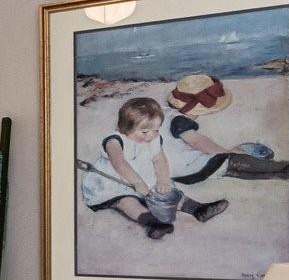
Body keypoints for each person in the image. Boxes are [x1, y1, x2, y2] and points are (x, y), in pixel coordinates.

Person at [79, 97, 228, 239]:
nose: (151, 135)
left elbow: (159, 159)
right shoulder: (114, 140)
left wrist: (163, 179)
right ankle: (152, 224)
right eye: (144, 132)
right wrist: (137, 183)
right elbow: (120, 163)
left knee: (167, 192)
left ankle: (198, 209)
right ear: (125, 127)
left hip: (143, 175)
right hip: (114, 181)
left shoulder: (153, 138)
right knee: (127, 202)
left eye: (156, 130)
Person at [164, 74, 289, 183]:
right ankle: (280, 168)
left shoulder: (163, 114)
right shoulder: (179, 120)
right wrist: (227, 152)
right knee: (230, 161)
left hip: (174, 173)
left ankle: (276, 172)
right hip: (190, 168)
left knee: (227, 169)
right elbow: (198, 142)